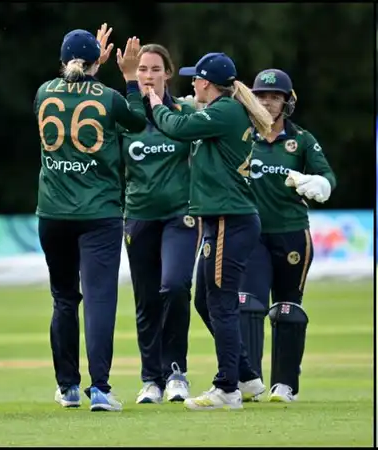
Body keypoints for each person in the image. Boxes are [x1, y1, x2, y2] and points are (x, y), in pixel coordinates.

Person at [138, 52, 274, 410]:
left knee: (221, 303)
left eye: (195, 79)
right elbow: (189, 122)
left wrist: (154, 102)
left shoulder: (225, 111)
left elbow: (178, 127)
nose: (192, 84)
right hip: (222, 219)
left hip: (231, 219)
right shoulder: (219, 112)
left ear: (207, 83)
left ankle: (227, 388)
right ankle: (246, 376)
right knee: (205, 299)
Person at [35, 25, 147, 412]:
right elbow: (136, 121)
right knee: (99, 299)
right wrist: (131, 78)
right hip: (98, 213)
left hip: (52, 213)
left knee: (64, 299)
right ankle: (99, 389)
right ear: (98, 61)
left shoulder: (43, 92)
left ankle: (67, 387)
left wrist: (92, 61)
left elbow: (74, 86)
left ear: (62, 61)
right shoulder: (110, 97)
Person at [228, 68, 337, 403]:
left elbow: (327, 175)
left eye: (275, 97)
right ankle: (249, 380)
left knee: (288, 309)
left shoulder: (301, 139)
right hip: (251, 234)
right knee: (248, 305)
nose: (268, 102)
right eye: (261, 96)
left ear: (287, 102)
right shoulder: (240, 135)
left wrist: (318, 184)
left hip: (292, 234)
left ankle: (285, 385)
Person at [119, 43, 199, 405]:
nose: (148, 76)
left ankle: (176, 372)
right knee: (146, 300)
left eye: (154, 69)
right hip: (138, 216)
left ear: (168, 73)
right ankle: (150, 379)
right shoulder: (126, 118)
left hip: (180, 215)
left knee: (176, 286)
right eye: (142, 70)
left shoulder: (185, 111)